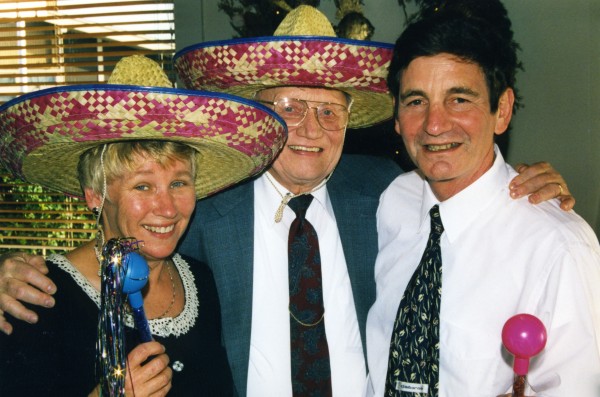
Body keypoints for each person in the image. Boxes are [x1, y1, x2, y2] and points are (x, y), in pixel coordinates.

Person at [0, 6, 575, 397]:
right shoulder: (199, 208)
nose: (310, 128)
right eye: (289, 107)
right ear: (259, 115)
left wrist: (521, 184)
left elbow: (464, 181)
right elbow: (118, 236)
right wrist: (14, 273)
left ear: (352, 121)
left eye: (330, 109)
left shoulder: (387, 192)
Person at [0, 55, 286, 396]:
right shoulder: (35, 296)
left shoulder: (202, 282)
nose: (167, 208)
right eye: (143, 186)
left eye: (179, 183)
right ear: (94, 194)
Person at [365, 3, 600, 396]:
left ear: (502, 110)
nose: (434, 125)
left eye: (459, 99)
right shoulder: (394, 201)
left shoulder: (559, 248)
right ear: (396, 115)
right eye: (416, 101)